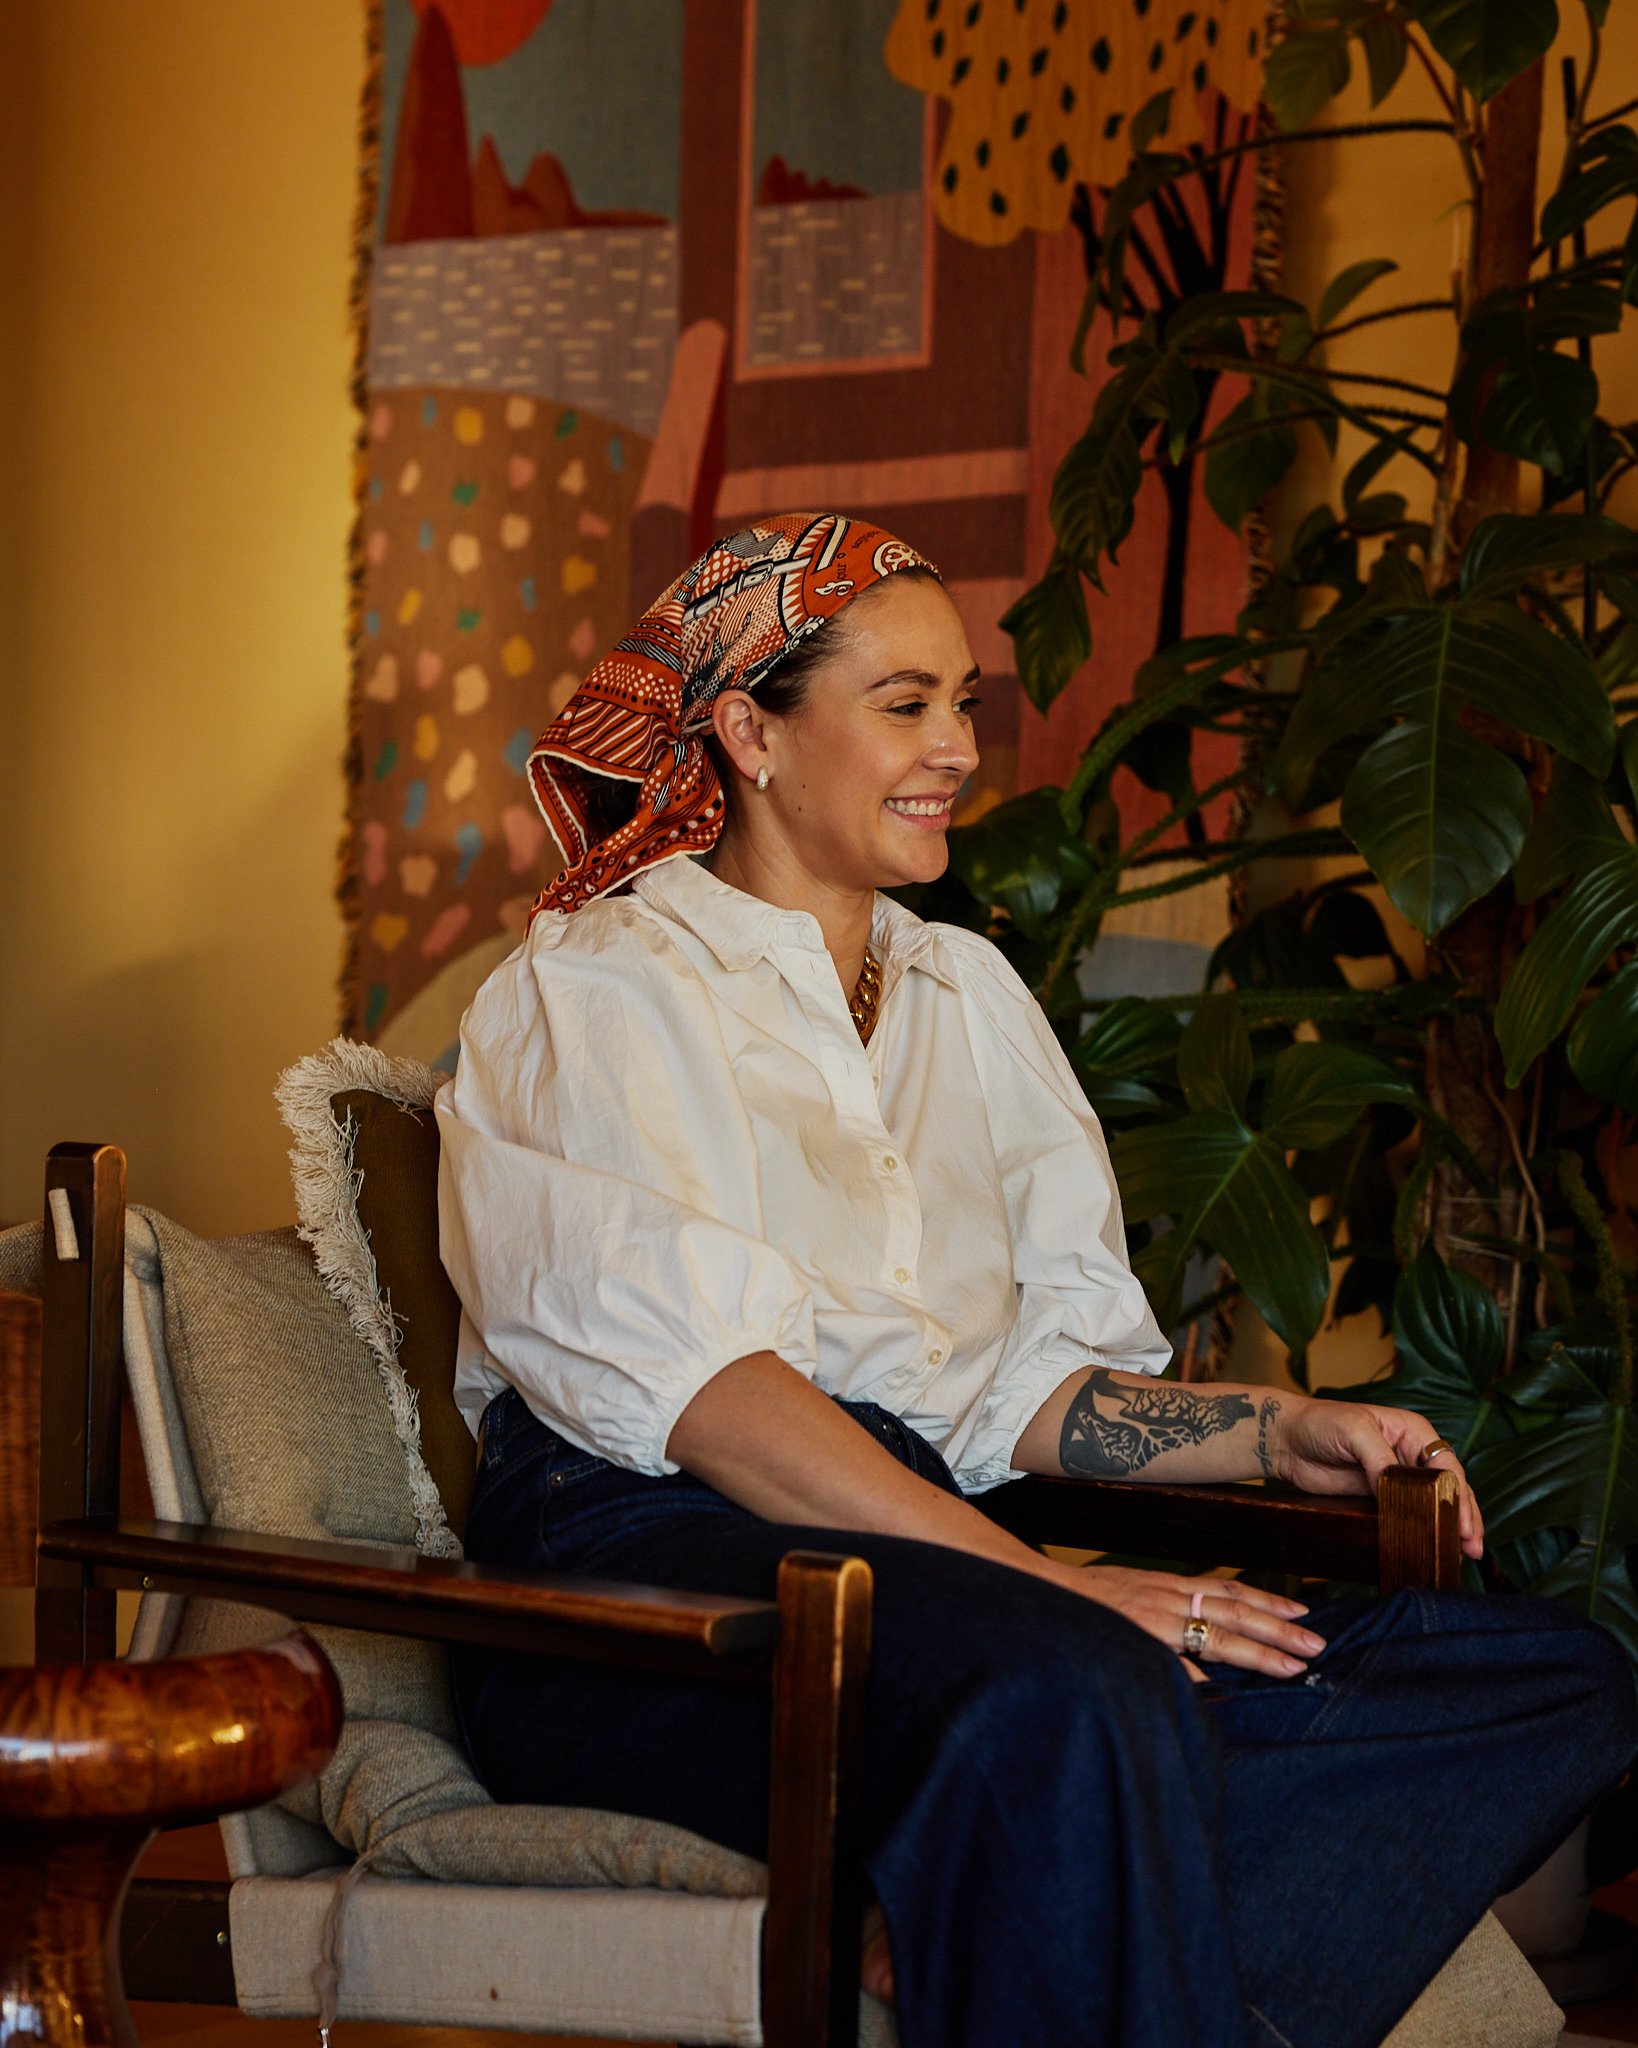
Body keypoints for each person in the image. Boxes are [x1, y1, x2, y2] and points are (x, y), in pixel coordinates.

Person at [437, 512, 1634, 2048]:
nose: (954, 750)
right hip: (651, 1577)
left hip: (930, 1560)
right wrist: (1060, 1591)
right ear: (747, 729)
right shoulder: (597, 985)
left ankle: (987, 1875)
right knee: (1081, 1692)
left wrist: (1276, 1433)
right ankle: (1022, 1844)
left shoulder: (963, 992)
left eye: (965, 707)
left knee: (1553, 1680)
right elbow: (717, 1405)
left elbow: (1019, 1391)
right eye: (903, 705)